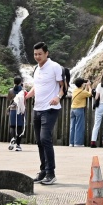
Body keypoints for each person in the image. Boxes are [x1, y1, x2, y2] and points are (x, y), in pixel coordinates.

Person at [28, 42, 66, 185]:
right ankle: (43, 171)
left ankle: (51, 173)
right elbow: (36, 87)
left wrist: (58, 97)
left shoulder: (55, 67)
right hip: (37, 109)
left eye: (40, 54)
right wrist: (25, 96)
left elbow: (63, 86)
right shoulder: (36, 69)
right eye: (35, 54)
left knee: (45, 139)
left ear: (46, 53)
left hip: (50, 109)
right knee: (39, 142)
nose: (37, 57)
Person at [68, 76, 91, 147]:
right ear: (82, 84)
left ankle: (71, 142)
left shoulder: (75, 90)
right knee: (79, 126)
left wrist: (85, 86)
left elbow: (84, 92)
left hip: (72, 109)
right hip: (79, 109)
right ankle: (78, 143)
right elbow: (89, 94)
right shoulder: (82, 92)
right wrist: (89, 86)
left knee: (72, 126)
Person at [8, 79, 26, 152]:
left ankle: (12, 138)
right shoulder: (23, 91)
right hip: (20, 110)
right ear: (21, 82)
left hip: (12, 109)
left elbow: (9, 99)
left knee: (12, 126)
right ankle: (18, 145)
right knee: (19, 127)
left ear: (14, 82)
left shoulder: (10, 90)